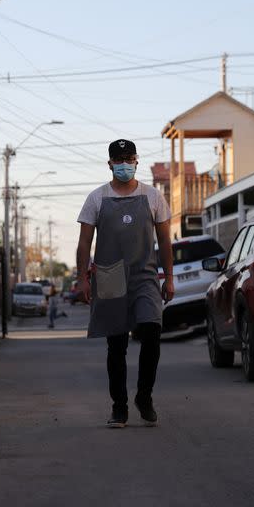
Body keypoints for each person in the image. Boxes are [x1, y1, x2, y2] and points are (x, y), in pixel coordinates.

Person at [76, 138, 174, 428]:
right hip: (110, 276)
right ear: (109, 164)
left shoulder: (153, 196)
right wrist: (82, 278)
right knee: (116, 344)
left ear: (136, 161)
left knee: (152, 331)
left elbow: (166, 240)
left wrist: (169, 277)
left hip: (145, 275)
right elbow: (84, 243)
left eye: (128, 159)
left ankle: (144, 396)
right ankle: (119, 407)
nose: (124, 165)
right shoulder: (96, 198)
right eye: (118, 161)